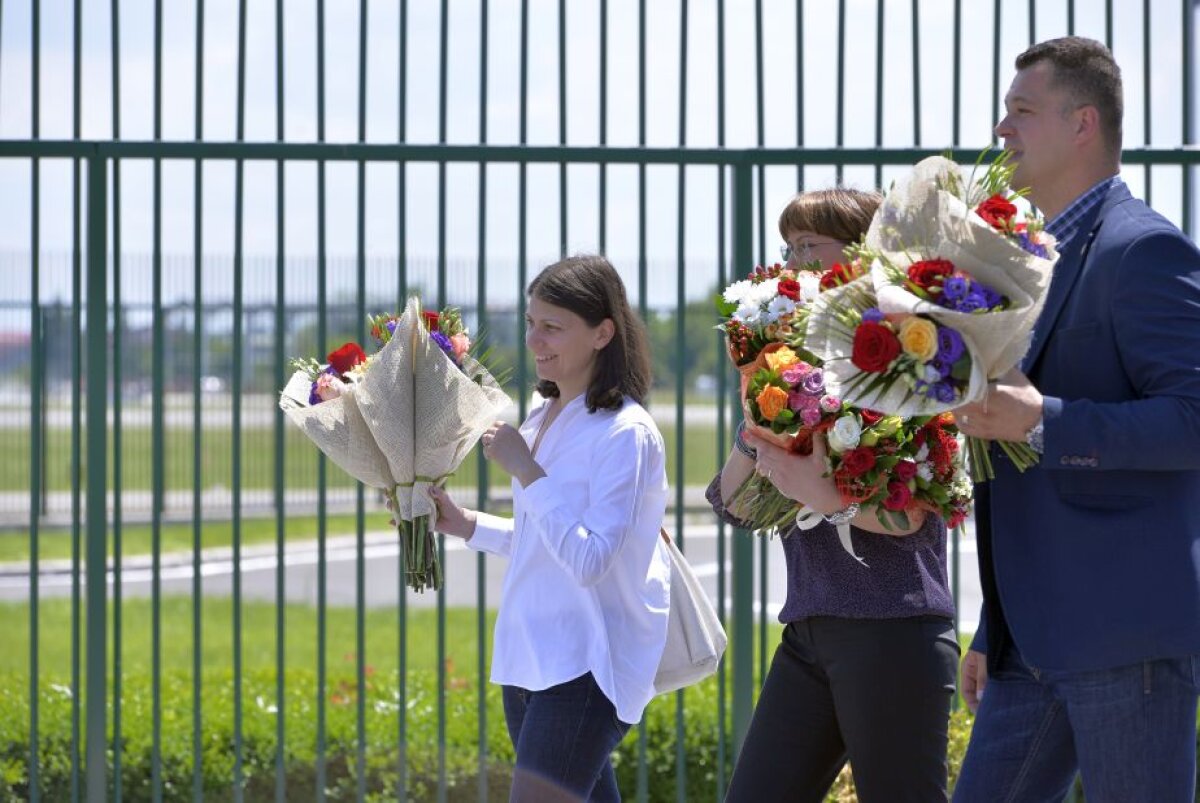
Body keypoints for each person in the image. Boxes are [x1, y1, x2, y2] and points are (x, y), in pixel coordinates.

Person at [951, 36, 1200, 802]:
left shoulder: (1145, 249)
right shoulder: (1024, 262)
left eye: (1021, 111)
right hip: (1029, 643)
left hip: (1127, 643)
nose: (1002, 130)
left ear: (1083, 123)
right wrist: (996, 627)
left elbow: (1191, 419)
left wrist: (1042, 422)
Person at [710, 188, 961, 803]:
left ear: (859, 255)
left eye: (807, 246)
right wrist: (757, 419)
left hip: (892, 631)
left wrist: (832, 499)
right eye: (788, 245)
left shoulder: (906, 362)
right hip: (810, 630)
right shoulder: (791, 367)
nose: (792, 262)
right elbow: (734, 503)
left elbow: (911, 519)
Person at [426, 255, 670, 802]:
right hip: (529, 655)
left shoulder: (626, 433)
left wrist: (527, 471)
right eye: (531, 323)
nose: (536, 340)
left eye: (553, 327)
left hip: (587, 664)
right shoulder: (542, 419)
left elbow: (589, 560)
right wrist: (465, 524)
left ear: (603, 332)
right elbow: (543, 543)